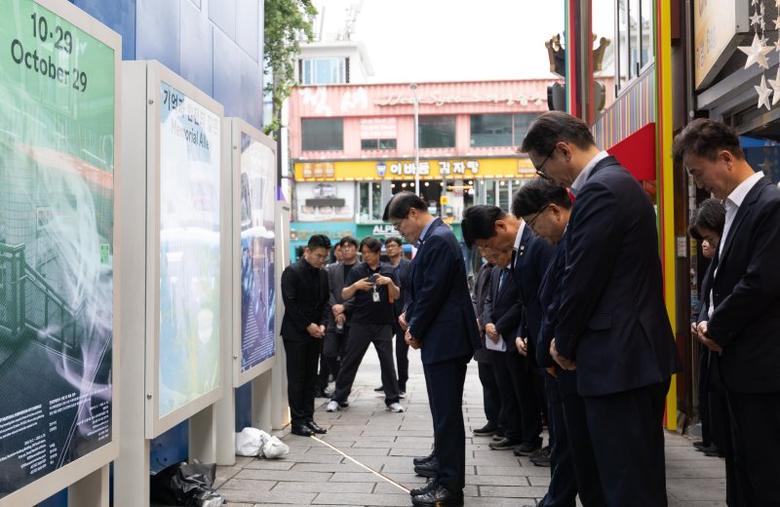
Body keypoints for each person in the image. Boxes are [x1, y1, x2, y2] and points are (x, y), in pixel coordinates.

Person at [520, 111, 679, 506]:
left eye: (543, 169)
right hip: (624, 358)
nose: (548, 180)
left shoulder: (602, 190)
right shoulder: (612, 184)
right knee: (620, 477)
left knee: (626, 485)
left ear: (563, 149)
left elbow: (582, 279)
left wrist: (563, 345)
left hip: (621, 359)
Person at [675, 118, 780, 507]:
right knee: (742, 467)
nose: (699, 184)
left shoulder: (769, 204)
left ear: (725, 158)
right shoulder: (734, 207)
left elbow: (761, 282)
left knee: (765, 471)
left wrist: (717, 326)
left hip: (761, 366)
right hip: (738, 364)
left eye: (698, 173)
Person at [513, 178, 606, 507]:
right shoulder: (560, 241)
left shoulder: (577, 239)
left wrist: (558, 349)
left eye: (533, 223)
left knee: (583, 449)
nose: (534, 232)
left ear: (553, 211)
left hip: (575, 361)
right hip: (559, 361)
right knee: (572, 444)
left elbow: (572, 299)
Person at [384, 192, 480, 507]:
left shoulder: (438, 239)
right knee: (442, 411)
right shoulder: (433, 238)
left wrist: (415, 328)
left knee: (447, 414)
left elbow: (433, 292)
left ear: (413, 213)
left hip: (446, 338)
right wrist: (410, 315)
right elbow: (422, 288)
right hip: (441, 337)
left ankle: (450, 488)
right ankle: (443, 471)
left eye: (400, 225)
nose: (400, 232)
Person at [462, 205, 552, 457]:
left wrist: (513, 329)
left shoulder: (536, 244)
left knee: (532, 394)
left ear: (500, 227)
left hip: (526, 339)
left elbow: (530, 302)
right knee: (505, 389)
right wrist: (487, 321)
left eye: (489, 245)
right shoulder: (497, 267)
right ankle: (514, 431)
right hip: (514, 338)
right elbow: (489, 300)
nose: (489, 252)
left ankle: (539, 441)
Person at [326, 237, 405, 413]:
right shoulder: (357, 270)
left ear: (378, 253)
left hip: (382, 323)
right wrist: (356, 285)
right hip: (360, 323)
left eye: (369, 252)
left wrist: (389, 282)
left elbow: (397, 295)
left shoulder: (388, 270)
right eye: (364, 252)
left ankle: (392, 399)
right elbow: (345, 294)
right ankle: (338, 398)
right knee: (350, 360)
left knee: (387, 362)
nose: (366, 255)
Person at [687, 199, 728, 460]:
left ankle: (719, 441)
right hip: (708, 333)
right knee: (707, 388)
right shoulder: (713, 264)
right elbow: (707, 298)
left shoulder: (727, 258)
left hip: (722, 337)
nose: (706, 244)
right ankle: (712, 438)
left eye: (709, 238)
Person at [280, 234, 332, 437]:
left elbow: (325, 302)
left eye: (324, 257)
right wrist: (307, 325)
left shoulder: (323, 274)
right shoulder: (292, 272)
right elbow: (290, 304)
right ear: (307, 251)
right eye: (319, 255)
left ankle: (309, 418)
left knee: (312, 377)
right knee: (297, 378)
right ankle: (297, 421)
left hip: (316, 333)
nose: (321, 260)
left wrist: (322, 324)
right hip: (295, 334)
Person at [317, 236, 359, 398]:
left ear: (356, 249)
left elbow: (362, 294)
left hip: (354, 318)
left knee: (348, 356)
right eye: (343, 247)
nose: (346, 249)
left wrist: (345, 307)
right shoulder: (332, 269)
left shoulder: (361, 269)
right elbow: (327, 291)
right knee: (329, 352)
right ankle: (340, 383)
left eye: (350, 246)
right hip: (333, 316)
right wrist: (336, 308)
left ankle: (341, 392)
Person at [374, 236, 412, 396]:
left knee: (401, 353)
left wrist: (408, 311)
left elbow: (411, 290)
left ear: (400, 248)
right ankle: (388, 383)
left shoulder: (408, 266)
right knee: (385, 351)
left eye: (393, 245)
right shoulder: (384, 267)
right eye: (387, 246)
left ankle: (401, 385)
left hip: (403, 314)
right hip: (387, 314)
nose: (390, 248)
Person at [471, 252, 502, 437]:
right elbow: (476, 298)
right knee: (486, 377)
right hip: (482, 334)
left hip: (496, 330)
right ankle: (492, 419)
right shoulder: (484, 269)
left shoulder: (501, 267)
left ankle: (503, 422)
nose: (485, 251)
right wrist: (476, 318)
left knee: (500, 380)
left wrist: (485, 321)